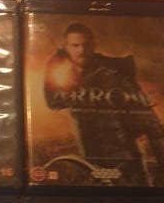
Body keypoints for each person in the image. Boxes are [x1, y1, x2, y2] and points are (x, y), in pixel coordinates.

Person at [44, 23, 164, 186]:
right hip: (94, 163)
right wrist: (54, 61)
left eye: (86, 45)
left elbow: (150, 122)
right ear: (66, 48)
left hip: (126, 162)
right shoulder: (71, 78)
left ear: (93, 46)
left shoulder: (115, 75)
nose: (81, 50)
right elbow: (53, 102)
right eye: (75, 46)